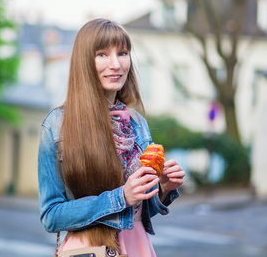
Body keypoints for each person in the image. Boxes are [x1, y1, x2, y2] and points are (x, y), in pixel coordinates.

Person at [38, 18, 185, 256]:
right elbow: (50, 216)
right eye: (102, 54)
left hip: (137, 245)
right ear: (84, 62)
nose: (116, 64)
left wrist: (164, 189)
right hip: (88, 249)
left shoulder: (137, 123)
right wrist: (120, 197)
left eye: (123, 53)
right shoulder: (57, 125)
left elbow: (138, 210)